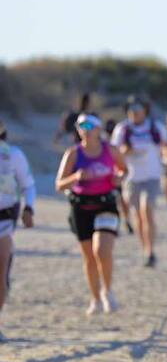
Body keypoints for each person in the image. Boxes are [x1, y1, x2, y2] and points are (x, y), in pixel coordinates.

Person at [55, 114, 126, 314]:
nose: (83, 129)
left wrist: (119, 178)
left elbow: (124, 170)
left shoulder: (110, 150)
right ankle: (94, 298)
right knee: (89, 257)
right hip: (81, 207)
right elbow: (59, 184)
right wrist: (76, 177)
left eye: (88, 125)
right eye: (80, 125)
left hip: (106, 204)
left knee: (102, 249)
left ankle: (107, 290)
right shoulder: (73, 154)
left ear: (98, 129)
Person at [111, 96, 167, 267]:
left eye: (138, 110)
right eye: (131, 110)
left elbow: (166, 145)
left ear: (145, 111)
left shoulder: (155, 127)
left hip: (152, 176)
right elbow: (114, 151)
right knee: (137, 216)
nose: (135, 113)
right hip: (131, 177)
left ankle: (150, 250)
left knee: (147, 209)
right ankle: (144, 249)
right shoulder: (122, 129)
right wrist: (125, 151)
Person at [0, 118, 36, 340]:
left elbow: (28, 185)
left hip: (4, 219)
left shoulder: (13, 155)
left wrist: (29, 208)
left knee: (1, 269)